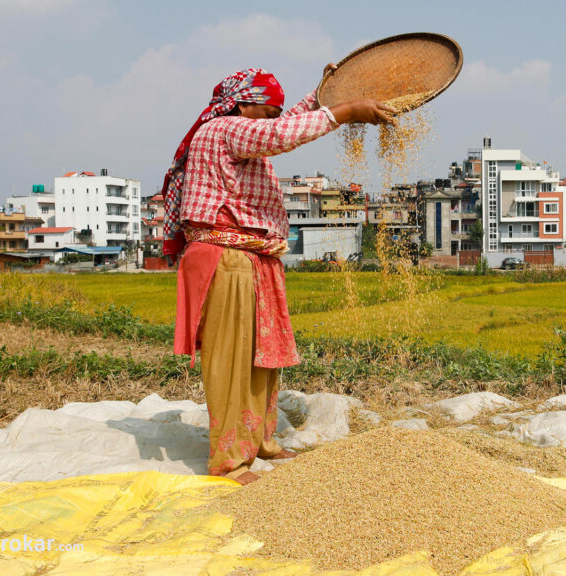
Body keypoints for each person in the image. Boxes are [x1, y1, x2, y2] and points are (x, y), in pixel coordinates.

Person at [162, 66, 394, 485]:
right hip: (226, 257)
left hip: (251, 256)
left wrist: (322, 95)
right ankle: (229, 460)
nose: (272, 122)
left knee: (260, 358)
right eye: (267, 112)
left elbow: (281, 127)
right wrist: (344, 111)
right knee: (231, 360)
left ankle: (259, 443)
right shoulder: (223, 129)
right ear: (244, 102)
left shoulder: (242, 129)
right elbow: (280, 135)